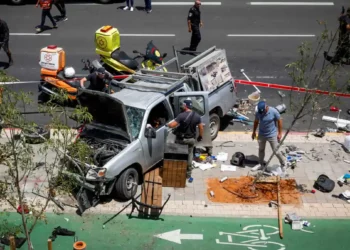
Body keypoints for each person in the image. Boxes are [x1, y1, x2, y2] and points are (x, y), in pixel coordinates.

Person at [166, 100, 204, 178]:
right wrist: (200, 136)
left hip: (181, 140)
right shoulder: (197, 116)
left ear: (186, 106)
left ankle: (178, 171)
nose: (182, 106)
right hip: (191, 140)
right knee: (190, 155)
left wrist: (167, 124)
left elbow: (173, 125)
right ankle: (188, 173)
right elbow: (201, 128)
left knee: (179, 155)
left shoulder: (181, 116)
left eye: (183, 105)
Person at [252, 101, 286, 171]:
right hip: (262, 134)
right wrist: (254, 132)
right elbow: (256, 122)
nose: (262, 114)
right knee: (261, 149)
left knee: (276, 151)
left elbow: (279, 121)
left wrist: (280, 133)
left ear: (266, 107)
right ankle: (260, 164)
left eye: (263, 112)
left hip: (272, 134)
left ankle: (283, 163)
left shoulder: (273, 111)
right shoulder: (258, 112)